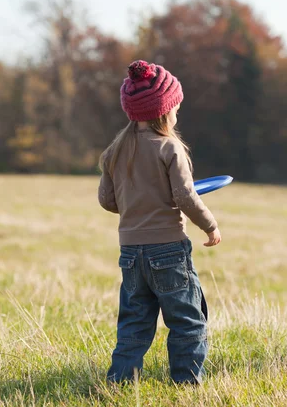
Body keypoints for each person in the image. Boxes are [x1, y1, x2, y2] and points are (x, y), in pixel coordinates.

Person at [98, 60, 221, 384]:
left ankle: (120, 382)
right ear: (165, 110)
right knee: (187, 320)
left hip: (130, 253)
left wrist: (137, 207)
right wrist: (210, 225)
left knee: (135, 322)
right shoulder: (170, 147)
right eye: (176, 106)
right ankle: (186, 382)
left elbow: (107, 201)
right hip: (168, 250)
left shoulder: (115, 150)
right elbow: (185, 196)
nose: (177, 112)